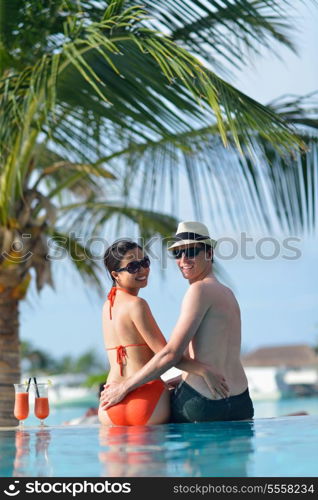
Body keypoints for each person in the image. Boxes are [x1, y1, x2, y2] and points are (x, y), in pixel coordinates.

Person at [101, 221, 254, 423]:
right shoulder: (228, 294)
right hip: (241, 400)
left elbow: (170, 354)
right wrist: (182, 378)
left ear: (209, 253)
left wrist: (124, 387)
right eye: (177, 254)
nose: (183, 260)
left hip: (203, 400)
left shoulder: (198, 290)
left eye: (190, 252)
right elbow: (209, 353)